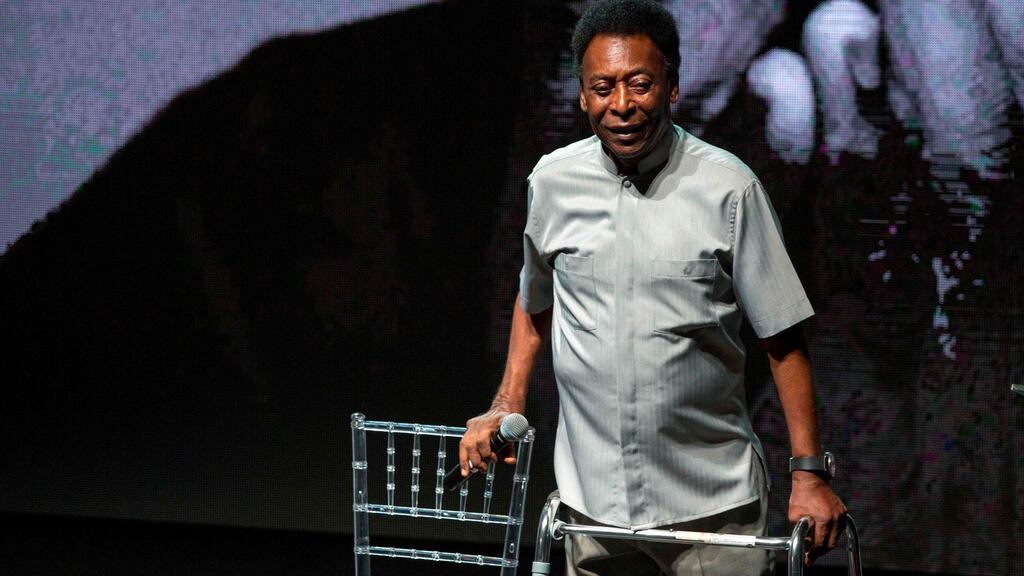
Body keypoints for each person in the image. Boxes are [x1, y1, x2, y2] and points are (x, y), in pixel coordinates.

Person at [459, 1, 846, 574]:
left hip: (712, 509)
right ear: (583, 96)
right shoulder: (553, 182)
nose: (621, 105)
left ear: (671, 87)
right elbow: (535, 297)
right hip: (591, 507)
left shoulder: (729, 189)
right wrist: (506, 400)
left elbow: (783, 338)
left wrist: (809, 474)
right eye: (603, 87)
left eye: (639, 84)